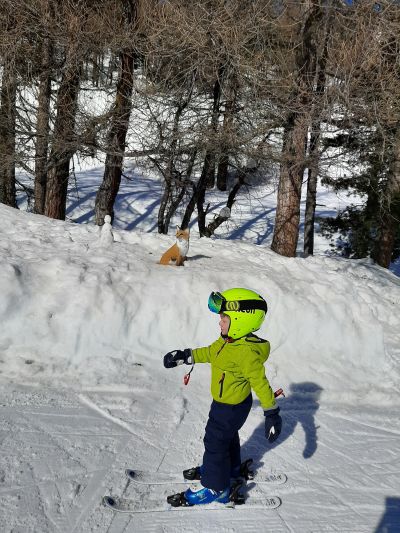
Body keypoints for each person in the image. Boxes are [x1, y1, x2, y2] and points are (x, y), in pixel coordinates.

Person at [163, 288, 282, 506]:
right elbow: (210, 352)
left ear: (240, 321)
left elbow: (261, 383)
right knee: (226, 437)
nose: (220, 323)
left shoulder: (245, 352)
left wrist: (272, 412)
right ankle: (230, 469)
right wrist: (186, 356)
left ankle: (215, 486)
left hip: (231, 407)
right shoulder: (227, 341)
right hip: (226, 404)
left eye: (224, 318)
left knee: (215, 441)